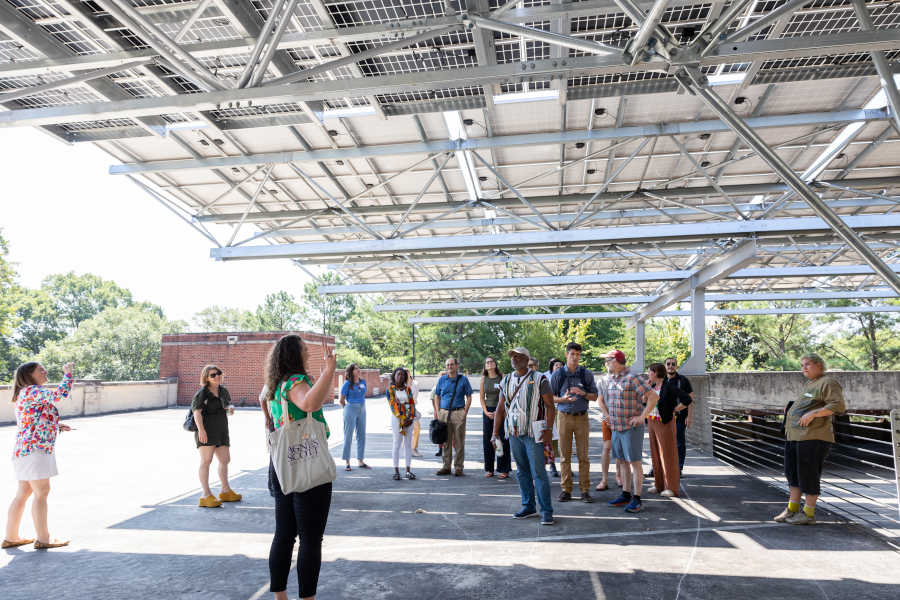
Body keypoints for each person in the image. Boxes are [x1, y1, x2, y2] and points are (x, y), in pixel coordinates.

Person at [265, 334, 337, 600]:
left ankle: (280, 596)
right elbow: (309, 403)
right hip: (307, 465)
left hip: (282, 464)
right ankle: (307, 598)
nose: (309, 353)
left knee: (284, 535)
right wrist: (329, 370)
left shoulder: (276, 384)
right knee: (310, 539)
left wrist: (322, 376)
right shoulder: (296, 381)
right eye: (305, 350)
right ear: (295, 355)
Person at [4, 361, 74, 550]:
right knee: (41, 493)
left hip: (24, 451)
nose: (45, 371)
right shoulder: (32, 390)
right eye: (41, 370)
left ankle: (11, 537)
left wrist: (57, 427)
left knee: (23, 493)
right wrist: (68, 374)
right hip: (35, 451)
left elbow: (33, 420)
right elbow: (60, 394)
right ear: (30, 375)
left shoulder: (25, 393)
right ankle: (44, 539)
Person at [774, 354, 846, 526]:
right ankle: (792, 509)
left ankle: (808, 513)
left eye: (808, 364)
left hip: (812, 437)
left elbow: (838, 405)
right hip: (795, 436)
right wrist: (793, 407)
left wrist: (813, 413)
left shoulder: (828, 382)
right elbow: (812, 403)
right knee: (792, 474)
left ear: (819, 365)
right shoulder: (810, 384)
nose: (803, 368)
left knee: (808, 475)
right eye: (802, 365)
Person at [492, 347, 556, 525]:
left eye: (519, 356)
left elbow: (550, 406)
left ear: (527, 359)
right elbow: (499, 408)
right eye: (513, 356)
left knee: (538, 472)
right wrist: (494, 433)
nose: (515, 359)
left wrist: (549, 429)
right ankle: (528, 506)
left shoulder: (540, 379)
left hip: (533, 433)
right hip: (513, 432)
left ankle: (546, 511)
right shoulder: (506, 380)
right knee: (521, 471)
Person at [601, 350, 659, 514]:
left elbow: (653, 397)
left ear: (616, 361)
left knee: (635, 462)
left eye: (608, 360)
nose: (605, 363)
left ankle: (637, 498)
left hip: (631, 428)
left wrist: (642, 417)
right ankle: (626, 494)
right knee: (622, 461)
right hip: (617, 428)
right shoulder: (613, 379)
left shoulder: (633, 378)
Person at [550, 342, 598, 503]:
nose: (575, 357)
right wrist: (563, 399)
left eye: (578, 354)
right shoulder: (558, 375)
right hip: (564, 416)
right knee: (565, 456)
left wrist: (582, 393)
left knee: (583, 456)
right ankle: (566, 490)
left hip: (582, 417)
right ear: (566, 355)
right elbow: (549, 398)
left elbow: (595, 396)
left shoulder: (586, 374)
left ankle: (585, 490)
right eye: (572, 354)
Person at [192, 365, 240, 508]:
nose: (217, 376)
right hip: (207, 431)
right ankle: (205, 495)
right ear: (206, 378)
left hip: (221, 430)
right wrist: (201, 431)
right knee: (206, 460)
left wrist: (229, 409)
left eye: (218, 373)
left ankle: (225, 491)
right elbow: (197, 413)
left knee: (225, 459)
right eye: (213, 375)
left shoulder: (223, 391)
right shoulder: (202, 393)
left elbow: (226, 407)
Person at [646, 363, 692, 497]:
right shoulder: (652, 387)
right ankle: (659, 485)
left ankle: (671, 487)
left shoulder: (669, 386)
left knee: (667, 455)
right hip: (652, 421)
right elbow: (644, 402)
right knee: (655, 455)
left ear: (655, 373)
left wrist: (675, 410)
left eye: (650, 372)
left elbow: (687, 399)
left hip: (664, 422)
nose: (648, 374)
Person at [432, 358, 473, 476]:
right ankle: (446, 467)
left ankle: (459, 468)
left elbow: (469, 396)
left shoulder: (463, 379)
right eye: (447, 365)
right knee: (445, 441)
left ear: (456, 366)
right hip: (444, 413)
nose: (449, 366)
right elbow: (437, 396)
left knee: (459, 441)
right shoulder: (442, 379)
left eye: (451, 364)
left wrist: (465, 412)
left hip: (458, 412)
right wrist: (438, 411)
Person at [480, 357, 510, 479]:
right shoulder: (483, 378)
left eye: (491, 361)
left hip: (501, 411)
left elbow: (507, 395)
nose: (489, 364)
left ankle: (503, 469)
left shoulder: (502, 376)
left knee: (501, 439)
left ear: (495, 364)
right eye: (487, 362)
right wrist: (486, 411)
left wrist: (502, 411)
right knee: (488, 440)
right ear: (485, 366)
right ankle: (489, 469)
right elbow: (482, 397)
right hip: (488, 411)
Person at [387, 367, 416, 481]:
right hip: (397, 419)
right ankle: (396, 471)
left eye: (402, 375)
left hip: (409, 419)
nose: (400, 376)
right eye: (398, 374)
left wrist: (411, 417)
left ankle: (408, 471)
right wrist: (404, 418)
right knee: (397, 443)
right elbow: (393, 406)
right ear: (394, 376)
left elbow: (412, 404)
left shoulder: (408, 390)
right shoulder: (390, 390)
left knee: (408, 444)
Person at [665, 357, 694, 474]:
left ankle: (678, 468)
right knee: (663, 443)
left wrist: (689, 417)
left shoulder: (683, 380)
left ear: (676, 366)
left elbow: (690, 399)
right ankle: (659, 467)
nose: (671, 366)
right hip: (663, 418)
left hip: (680, 417)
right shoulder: (661, 380)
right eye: (668, 364)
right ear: (665, 366)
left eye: (673, 364)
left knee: (679, 443)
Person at [339, 364, 370, 472]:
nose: (358, 370)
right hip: (350, 409)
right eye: (356, 368)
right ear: (351, 372)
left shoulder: (363, 382)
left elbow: (362, 395)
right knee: (348, 436)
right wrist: (347, 410)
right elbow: (341, 400)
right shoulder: (347, 384)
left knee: (361, 435)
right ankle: (347, 462)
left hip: (362, 409)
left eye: (358, 368)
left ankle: (360, 461)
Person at [545, 358, 563, 478]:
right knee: (551, 439)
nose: (558, 367)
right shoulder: (545, 377)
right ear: (552, 366)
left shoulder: (566, 377)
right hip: (551, 411)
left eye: (561, 365)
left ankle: (565, 466)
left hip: (563, 411)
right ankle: (552, 465)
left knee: (563, 440)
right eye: (556, 365)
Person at [407, 369, 423, 458]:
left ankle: (414, 448)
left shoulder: (415, 384)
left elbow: (413, 398)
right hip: (403, 410)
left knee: (416, 428)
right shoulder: (401, 385)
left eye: (407, 374)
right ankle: (410, 449)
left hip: (412, 409)